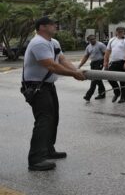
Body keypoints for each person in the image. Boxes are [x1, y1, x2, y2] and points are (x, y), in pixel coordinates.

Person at [22, 16, 85, 171]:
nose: (55, 26)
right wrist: (74, 74)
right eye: (52, 24)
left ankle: (48, 150)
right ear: (42, 27)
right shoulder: (38, 43)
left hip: (48, 86)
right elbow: (51, 66)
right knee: (43, 121)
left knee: (53, 118)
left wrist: (75, 70)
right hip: (36, 87)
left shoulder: (53, 42)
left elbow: (62, 60)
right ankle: (36, 159)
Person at [103, 26, 125, 103]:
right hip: (113, 62)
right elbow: (107, 51)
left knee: (123, 81)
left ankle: (123, 98)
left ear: (124, 32)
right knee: (110, 77)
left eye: (122, 31)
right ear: (116, 32)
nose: (120, 33)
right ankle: (117, 92)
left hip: (123, 62)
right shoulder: (112, 40)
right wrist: (105, 62)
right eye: (119, 31)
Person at [78, 35, 107, 101]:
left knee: (94, 78)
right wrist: (80, 65)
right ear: (88, 41)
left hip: (99, 62)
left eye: (94, 39)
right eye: (91, 39)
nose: (93, 40)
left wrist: (105, 64)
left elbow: (106, 54)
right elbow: (86, 57)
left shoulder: (100, 45)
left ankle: (88, 95)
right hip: (93, 63)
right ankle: (102, 94)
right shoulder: (88, 47)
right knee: (98, 79)